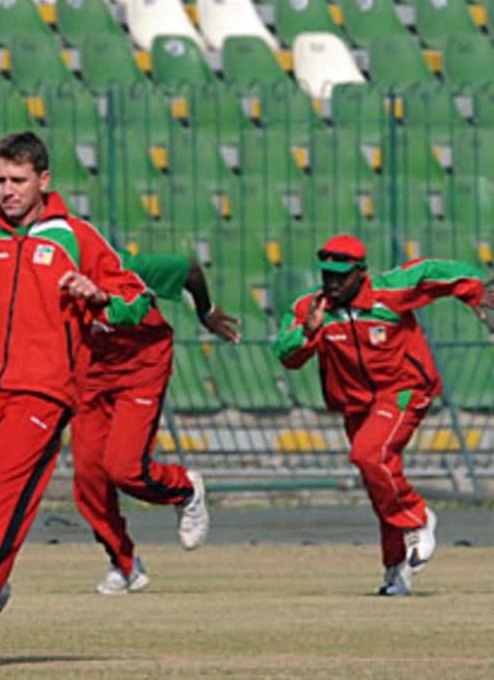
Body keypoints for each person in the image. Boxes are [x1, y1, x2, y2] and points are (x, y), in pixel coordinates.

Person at [0, 131, 151, 668]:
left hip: (43, 393)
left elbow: (136, 300)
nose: (7, 191)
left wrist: (99, 298)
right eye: (0, 180)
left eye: (17, 180)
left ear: (43, 180)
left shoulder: (78, 238)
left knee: (4, 504)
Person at [274, 234, 494, 596]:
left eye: (340, 276)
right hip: (356, 403)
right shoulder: (309, 307)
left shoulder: (390, 290)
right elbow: (286, 355)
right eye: (327, 274)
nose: (331, 282)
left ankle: (419, 518)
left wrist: (473, 290)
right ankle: (396, 569)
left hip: (405, 391)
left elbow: (433, 270)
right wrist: (309, 332)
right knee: (378, 480)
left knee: (369, 454)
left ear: (361, 273)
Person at [75, 252, 240, 595]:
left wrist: (206, 312)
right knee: (89, 479)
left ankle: (185, 488)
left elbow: (191, 268)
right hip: (90, 379)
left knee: (124, 469)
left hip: (141, 372)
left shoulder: (131, 269)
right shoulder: (44, 280)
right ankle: (124, 564)